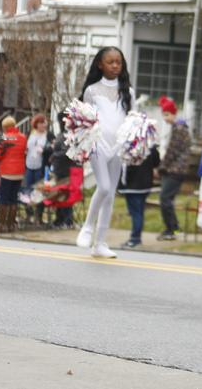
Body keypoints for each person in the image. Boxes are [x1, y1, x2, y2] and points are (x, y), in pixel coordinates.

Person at [75, 46, 136, 258]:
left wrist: (129, 143)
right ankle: (88, 227)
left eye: (118, 62)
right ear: (100, 64)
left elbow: (132, 119)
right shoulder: (92, 90)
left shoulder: (128, 91)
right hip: (98, 144)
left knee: (110, 195)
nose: (115, 66)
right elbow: (84, 119)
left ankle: (99, 244)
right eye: (110, 62)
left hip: (117, 147)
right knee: (104, 186)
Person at [157, 95, 191, 241]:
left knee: (165, 198)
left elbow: (173, 150)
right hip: (176, 169)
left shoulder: (178, 128)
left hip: (175, 170)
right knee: (168, 199)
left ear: (173, 113)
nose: (165, 118)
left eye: (167, 114)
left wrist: (162, 166)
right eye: (163, 115)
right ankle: (173, 228)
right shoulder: (180, 127)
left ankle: (171, 229)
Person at [118, 148, 161, 248]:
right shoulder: (150, 145)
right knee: (139, 212)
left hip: (132, 186)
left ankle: (135, 238)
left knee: (136, 213)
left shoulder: (130, 146)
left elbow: (125, 166)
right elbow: (156, 162)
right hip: (146, 185)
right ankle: (136, 237)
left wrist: (121, 185)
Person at [0, 116, 26, 233]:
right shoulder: (23, 138)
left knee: (4, 199)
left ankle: (1, 225)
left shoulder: (5, 138)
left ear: (5, 127)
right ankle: (11, 225)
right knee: (13, 199)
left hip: (7, 172)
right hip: (19, 172)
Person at [25, 113, 50, 199]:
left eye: (44, 122)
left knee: (38, 189)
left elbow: (51, 150)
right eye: (40, 123)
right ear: (36, 124)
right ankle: (29, 208)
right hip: (29, 165)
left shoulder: (48, 135)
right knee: (28, 188)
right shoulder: (30, 133)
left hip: (41, 167)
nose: (43, 125)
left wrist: (44, 151)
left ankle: (37, 209)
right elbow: (26, 146)